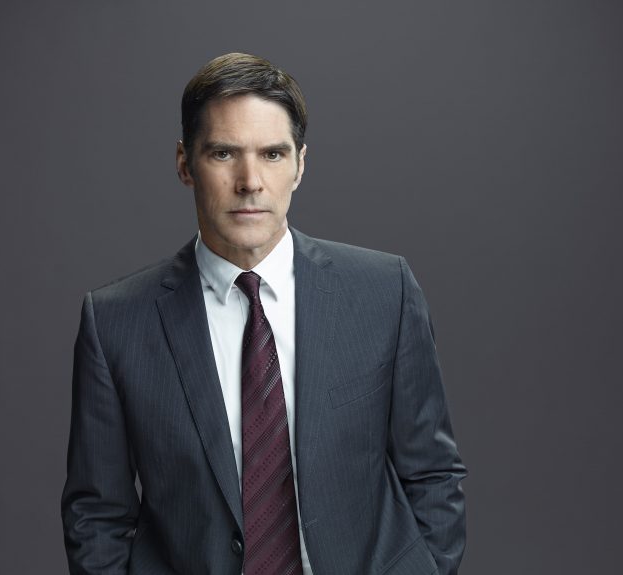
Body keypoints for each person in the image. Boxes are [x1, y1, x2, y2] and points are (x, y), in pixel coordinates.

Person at [61, 52, 467, 575]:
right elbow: (96, 514)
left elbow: (432, 472)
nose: (250, 180)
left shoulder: (384, 292)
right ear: (185, 164)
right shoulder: (116, 323)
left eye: (273, 154)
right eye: (224, 153)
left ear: (300, 165)